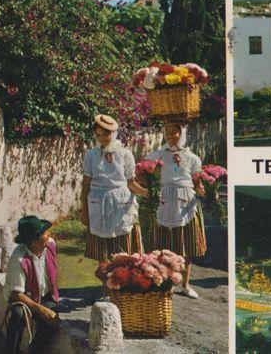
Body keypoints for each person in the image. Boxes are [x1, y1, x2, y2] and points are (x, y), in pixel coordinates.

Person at [145, 123, 207, 299]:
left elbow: (198, 183)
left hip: (185, 203)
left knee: (186, 245)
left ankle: (185, 285)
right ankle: (162, 283)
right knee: (162, 245)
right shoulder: (157, 155)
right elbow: (141, 170)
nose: (171, 135)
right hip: (164, 201)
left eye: (175, 132)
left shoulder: (192, 158)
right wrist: (148, 186)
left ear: (182, 133)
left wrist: (208, 189)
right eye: (168, 132)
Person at [81, 114, 148, 261]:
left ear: (114, 133)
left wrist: (147, 193)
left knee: (123, 251)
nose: (102, 138)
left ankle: (123, 282)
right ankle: (106, 283)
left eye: (106, 134)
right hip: (98, 205)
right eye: (98, 135)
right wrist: (84, 212)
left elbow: (131, 183)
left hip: (121, 204)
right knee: (102, 253)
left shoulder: (125, 154)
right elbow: (85, 186)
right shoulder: (91, 156)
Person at [3, 215, 59, 353]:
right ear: (34, 242)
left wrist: (47, 307)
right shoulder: (19, 258)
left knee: (52, 321)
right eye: (45, 233)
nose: (49, 234)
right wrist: (40, 309)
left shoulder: (49, 245)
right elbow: (17, 294)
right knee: (18, 315)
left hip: (43, 295)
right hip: (23, 297)